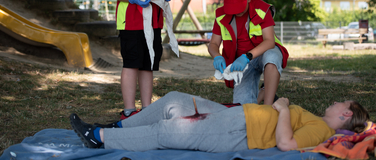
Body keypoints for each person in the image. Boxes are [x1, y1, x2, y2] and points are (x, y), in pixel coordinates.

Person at [70, 91, 370, 152]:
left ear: (345, 114)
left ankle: (99, 138)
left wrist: (280, 109)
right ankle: (117, 126)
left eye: (339, 103)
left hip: (238, 128)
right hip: (236, 115)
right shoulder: (318, 120)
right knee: (174, 100)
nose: (333, 102)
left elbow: (286, 143)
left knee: (169, 130)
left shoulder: (321, 128)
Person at [208, 0, 289, 105]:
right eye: (232, 8)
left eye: (239, 7)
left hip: (263, 53)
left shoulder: (262, 9)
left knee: (271, 59)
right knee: (242, 108)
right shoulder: (221, 15)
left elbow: (269, 42)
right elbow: (213, 44)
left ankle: (268, 107)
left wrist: (247, 56)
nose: (237, 12)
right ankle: (263, 92)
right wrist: (217, 56)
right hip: (243, 63)